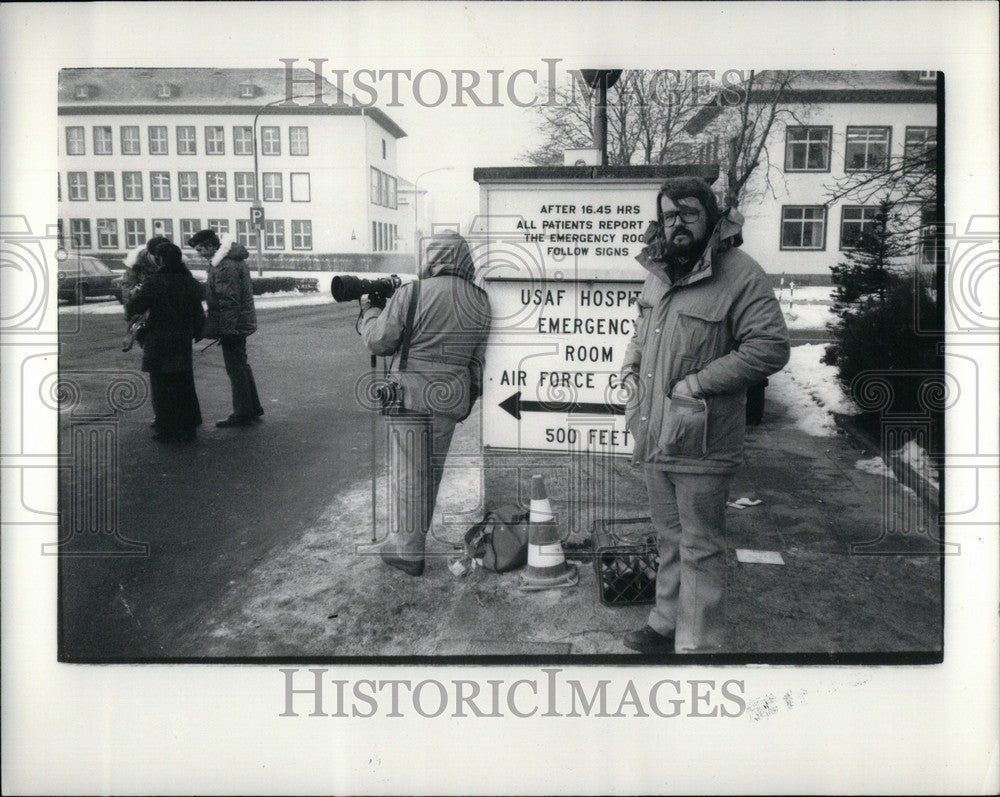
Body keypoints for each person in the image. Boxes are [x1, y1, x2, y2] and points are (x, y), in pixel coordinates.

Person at [620, 177, 790, 654]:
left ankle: (698, 649)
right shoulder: (658, 271)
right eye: (670, 215)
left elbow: (770, 347)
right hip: (655, 432)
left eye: (689, 214)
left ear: (711, 216)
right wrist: (631, 369)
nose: (678, 224)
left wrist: (698, 382)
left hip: (704, 438)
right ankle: (665, 623)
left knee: (701, 546)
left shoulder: (740, 274)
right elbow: (641, 329)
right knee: (669, 537)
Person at [358, 230, 492, 576]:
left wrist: (370, 312)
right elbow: (477, 361)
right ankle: (411, 541)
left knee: (408, 476)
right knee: (429, 474)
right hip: (451, 398)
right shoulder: (480, 299)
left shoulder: (412, 292)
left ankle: (408, 552)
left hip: (412, 399)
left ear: (432, 256)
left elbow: (380, 342)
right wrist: (467, 398)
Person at [124, 243, 205, 443]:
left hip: (158, 339)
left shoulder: (154, 282)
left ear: (159, 260)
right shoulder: (190, 281)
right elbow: (198, 312)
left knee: (162, 385)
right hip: (182, 340)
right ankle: (189, 424)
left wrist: (132, 297)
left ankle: (168, 429)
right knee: (184, 382)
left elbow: (134, 308)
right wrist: (196, 332)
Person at [187, 229, 264, 428]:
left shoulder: (224, 266)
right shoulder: (230, 261)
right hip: (239, 322)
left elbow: (228, 300)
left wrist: (227, 330)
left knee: (235, 367)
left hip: (234, 325)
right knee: (241, 364)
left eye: (200, 249)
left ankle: (242, 412)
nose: (199, 253)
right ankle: (252, 407)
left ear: (211, 246)